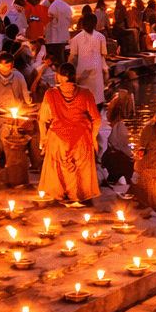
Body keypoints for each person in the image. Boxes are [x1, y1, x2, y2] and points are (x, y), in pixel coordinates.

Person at [37, 62, 101, 205]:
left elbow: (43, 120)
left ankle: (59, 194)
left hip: (58, 139)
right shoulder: (86, 93)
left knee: (55, 160)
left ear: (57, 77)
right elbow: (97, 119)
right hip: (81, 139)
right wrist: (93, 138)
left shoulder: (50, 94)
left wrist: (44, 139)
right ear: (74, 77)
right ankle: (80, 195)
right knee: (82, 164)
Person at [67, 4, 109, 104]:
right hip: (85, 79)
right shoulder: (99, 37)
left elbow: (102, 58)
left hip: (93, 79)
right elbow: (72, 59)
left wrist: (105, 74)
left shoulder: (99, 38)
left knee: (91, 104)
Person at [101, 96, 134, 188]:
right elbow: (126, 149)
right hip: (118, 162)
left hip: (111, 159)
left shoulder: (114, 125)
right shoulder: (121, 127)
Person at [45, 0, 73, 64]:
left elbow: (49, 20)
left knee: (57, 60)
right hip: (64, 36)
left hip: (55, 37)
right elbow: (69, 21)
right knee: (64, 58)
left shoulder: (53, 6)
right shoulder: (66, 7)